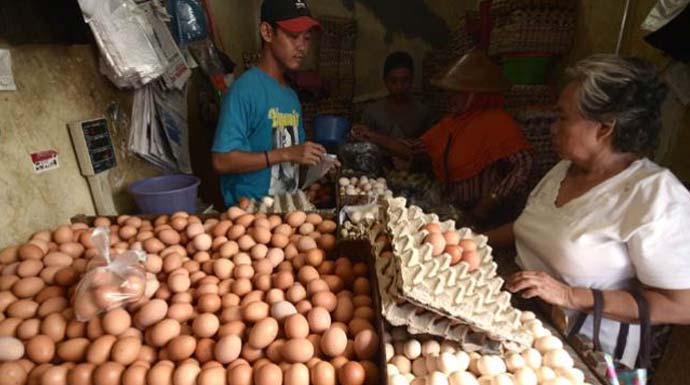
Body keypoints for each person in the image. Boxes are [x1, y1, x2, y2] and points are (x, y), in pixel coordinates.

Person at [486, 55, 690, 370]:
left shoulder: (653, 195)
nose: (552, 127)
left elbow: (682, 306)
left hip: (586, 356)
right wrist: (471, 239)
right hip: (526, 322)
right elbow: (534, 226)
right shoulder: (565, 170)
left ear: (605, 128)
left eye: (562, 117)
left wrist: (570, 296)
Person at [354, 49, 534, 226]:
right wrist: (372, 136)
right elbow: (415, 149)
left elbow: (523, 164)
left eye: (456, 93)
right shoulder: (452, 123)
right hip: (458, 210)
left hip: (488, 219)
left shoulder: (498, 122)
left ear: (475, 95)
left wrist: (488, 203)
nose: (450, 98)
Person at [211, 0, 326, 207]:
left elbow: (295, 158)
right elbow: (221, 160)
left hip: (285, 210)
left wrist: (319, 162)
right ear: (267, 32)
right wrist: (287, 153)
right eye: (293, 36)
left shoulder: (291, 97)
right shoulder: (244, 91)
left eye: (306, 38)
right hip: (249, 217)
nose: (302, 47)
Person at [361, 51, 434, 142]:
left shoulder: (423, 113)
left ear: (412, 80)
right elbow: (363, 145)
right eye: (393, 81)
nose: (399, 86)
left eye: (405, 80)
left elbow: (430, 147)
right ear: (385, 81)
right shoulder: (372, 112)